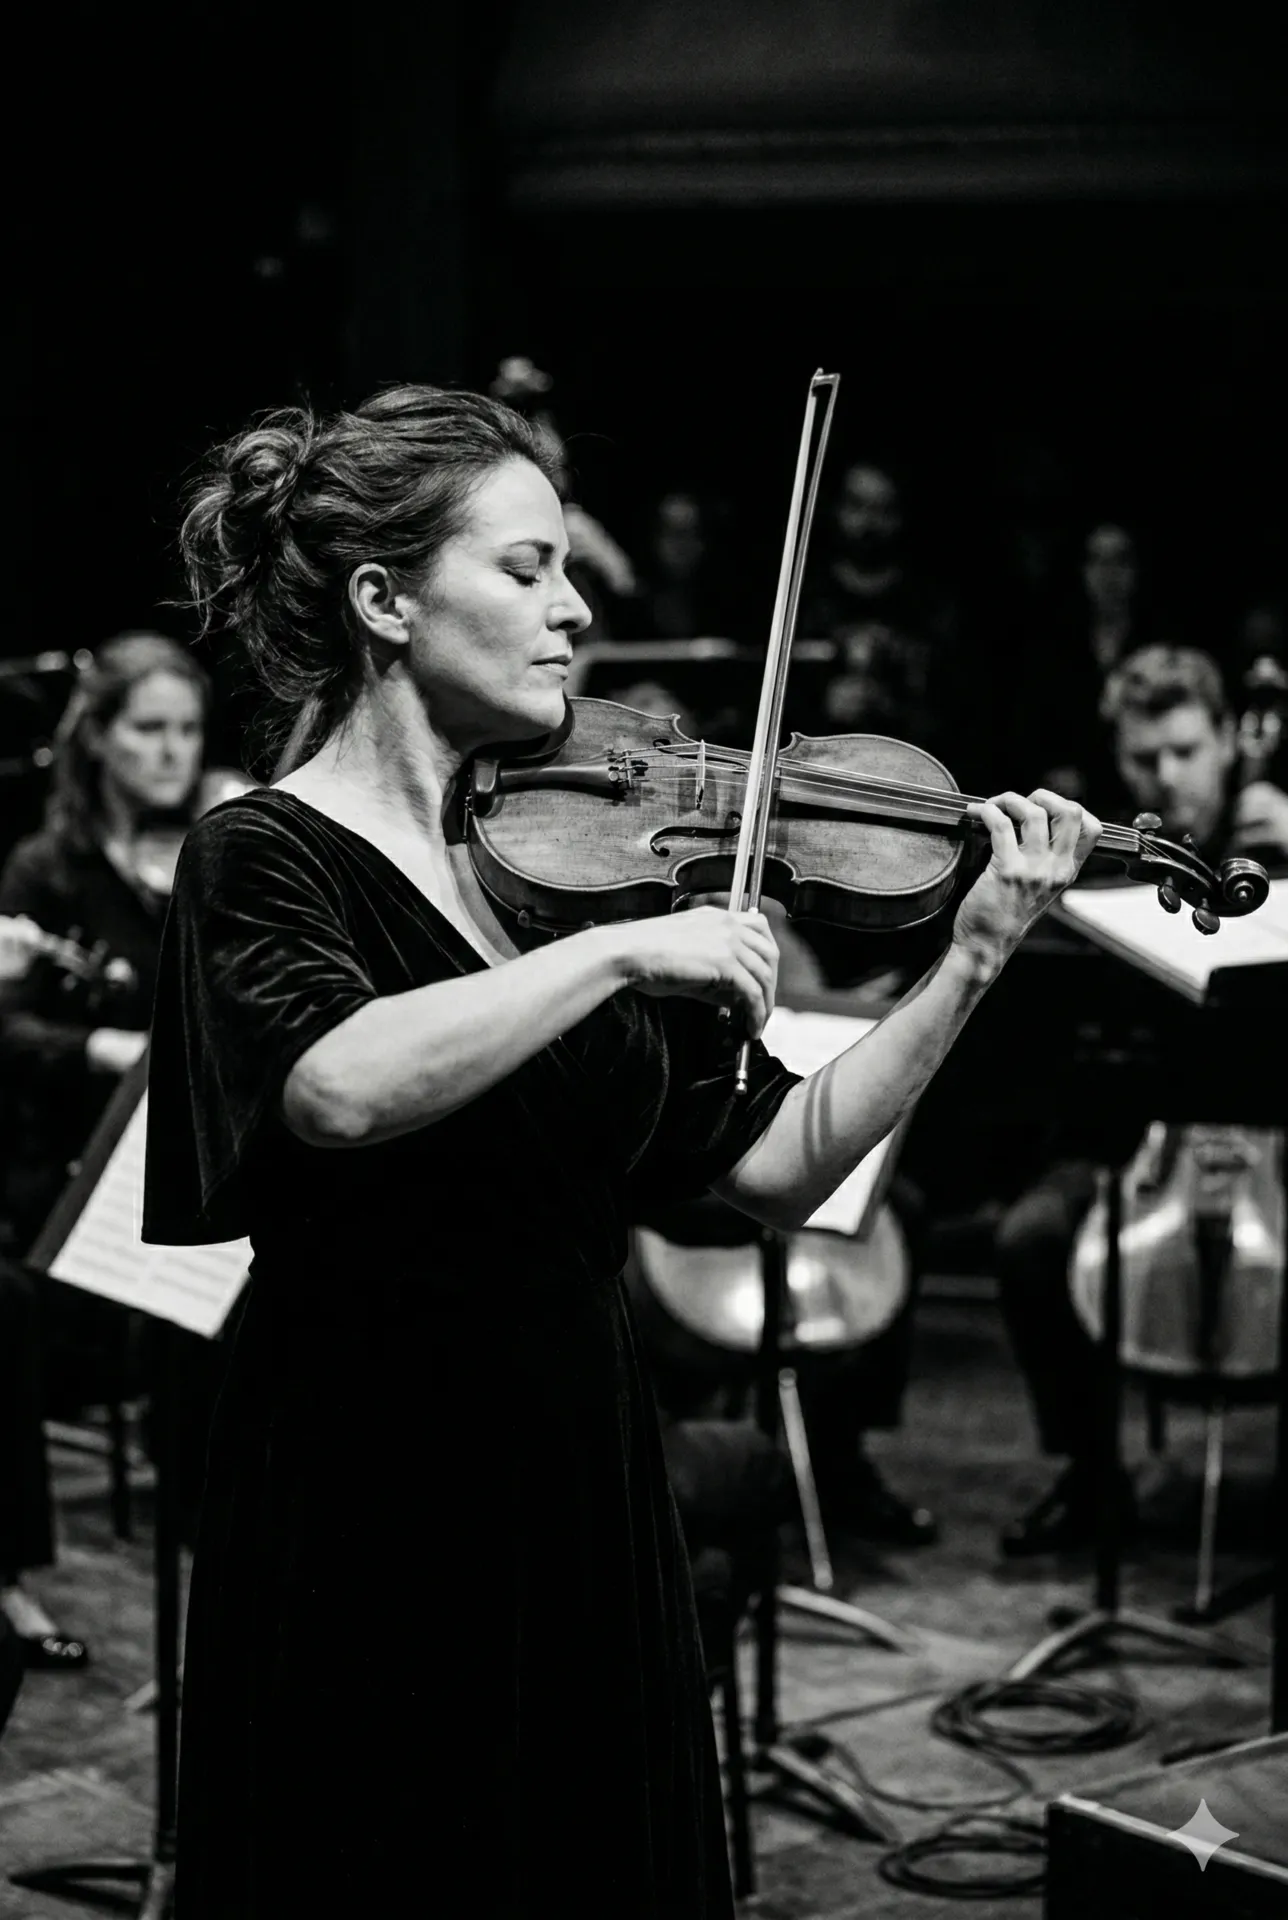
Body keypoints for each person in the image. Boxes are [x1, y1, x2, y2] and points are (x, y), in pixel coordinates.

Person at [142, 382, 1097, 1915]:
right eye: (527, 570)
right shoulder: (263, 855)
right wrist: (623, 958)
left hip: (575, 1456)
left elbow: (782, 1163)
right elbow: (336, 1087)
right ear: (385, 601)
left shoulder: (564, 872)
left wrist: (971, 957)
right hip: (369, 1470)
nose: (575, 610)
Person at [995, 643, 1288, 1557]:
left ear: (1226, 741)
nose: (1167, 775)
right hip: (1135, 1141)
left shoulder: (1276, 830)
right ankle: (1092, 1477)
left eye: (1186, 751)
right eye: (1144, 758)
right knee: (1031, 1240)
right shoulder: (1112, 851)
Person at [0, 634, 218, 1667]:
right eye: (149, 729)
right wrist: (104, 1048)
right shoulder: (48, 870)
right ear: (99, 741)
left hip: (196, 1150)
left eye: (188, 729)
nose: (174, 752)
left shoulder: (215, 849)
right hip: (76, 1165)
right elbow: (8, 1033)